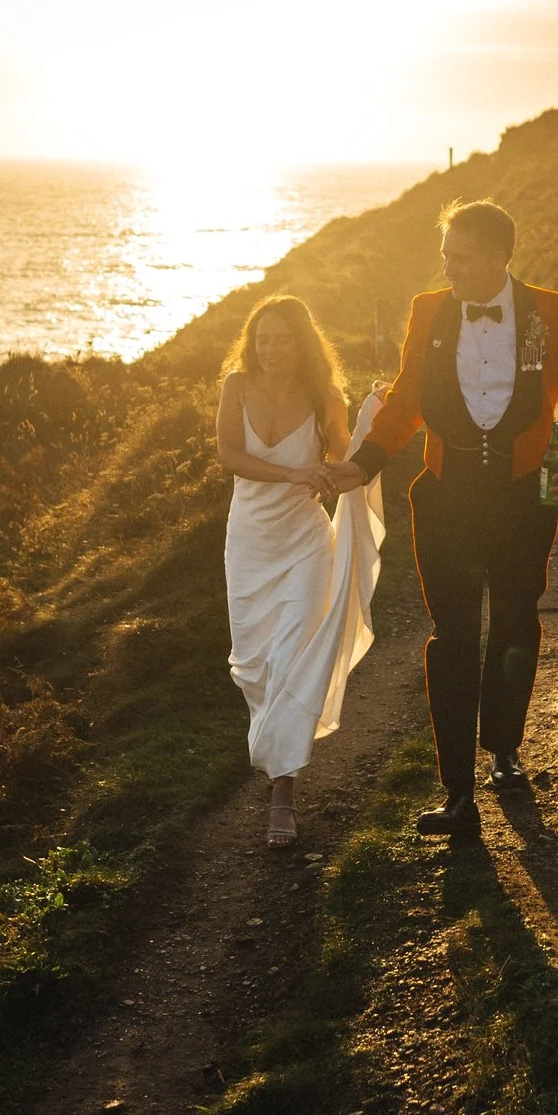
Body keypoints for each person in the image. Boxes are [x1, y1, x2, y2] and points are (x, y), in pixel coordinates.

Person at [324, 200, 558, 843]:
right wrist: (365, 461)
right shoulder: (430, 312)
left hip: (523, 496)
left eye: (459, 256)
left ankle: (506, 749)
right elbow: (404, 401)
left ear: (496, 256)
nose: (447, 267)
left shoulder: (554, 311)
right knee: (452, 636)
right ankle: (457, 793)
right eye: (446, 255)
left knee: (515, 618)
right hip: (446, 498)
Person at [216, 296, 386, 848]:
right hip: (250, 544)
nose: (270, 349)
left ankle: (282, 795)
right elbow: (230, 458)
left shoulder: (323, 396)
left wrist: (371, 421)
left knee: (291, 657)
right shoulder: (236, 388)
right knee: (258, 666)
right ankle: (277, 757)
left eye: (281, 339)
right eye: (262, 338)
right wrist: (296, 475)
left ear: (302, 343)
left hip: (306, 544)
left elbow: (343, 462)